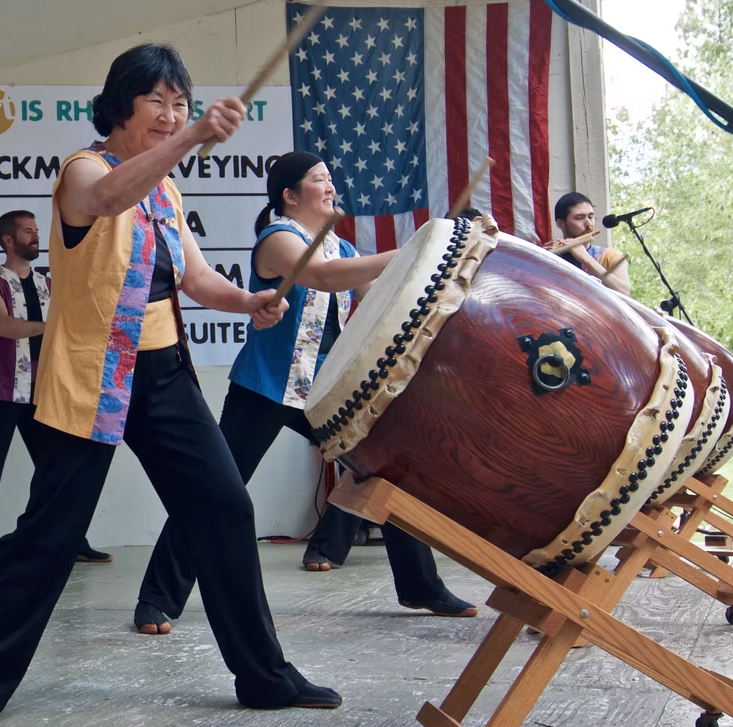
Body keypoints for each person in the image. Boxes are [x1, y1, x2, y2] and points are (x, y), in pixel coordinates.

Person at [0, 43, 340, 727]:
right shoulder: (83, 170)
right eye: (158, 102)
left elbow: (197, 279)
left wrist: (251, 301)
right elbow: (110, 196)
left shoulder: (167, 189)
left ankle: (264, 676)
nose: (172, 115)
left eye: (181, 104)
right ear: (121, 105)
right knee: (49, 535)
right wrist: (198, 135)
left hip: (165, 372)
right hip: (92, 375)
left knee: (224, 507)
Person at [132, 152, 477, 634]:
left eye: (331, 179)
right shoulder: (278, 240)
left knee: (388, 471)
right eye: (319, 180)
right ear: (289, 196)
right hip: (266, 390)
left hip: (328, 395)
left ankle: (420, 586)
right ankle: (156, 600)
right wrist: (418, 248)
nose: (331, 187)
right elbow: (320, 277)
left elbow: (385, 294)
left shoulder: (343, 248)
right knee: (212, 490)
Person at [0, 210, 111, 572]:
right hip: (1, 392)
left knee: (58, 469)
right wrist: (53, 326)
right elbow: (2, 325)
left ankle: (73, 542)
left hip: (45, 389)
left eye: (37, 231)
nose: (36, 236)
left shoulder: (48, 282)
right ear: (8, 240)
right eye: (28, 232)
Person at [547, 191, 630, 293]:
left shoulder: (611, 257)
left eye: (590, 217)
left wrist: (586, 258)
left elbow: (624, 292)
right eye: (579, 218)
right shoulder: (549, 259)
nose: (588, 224)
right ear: (561, 223)